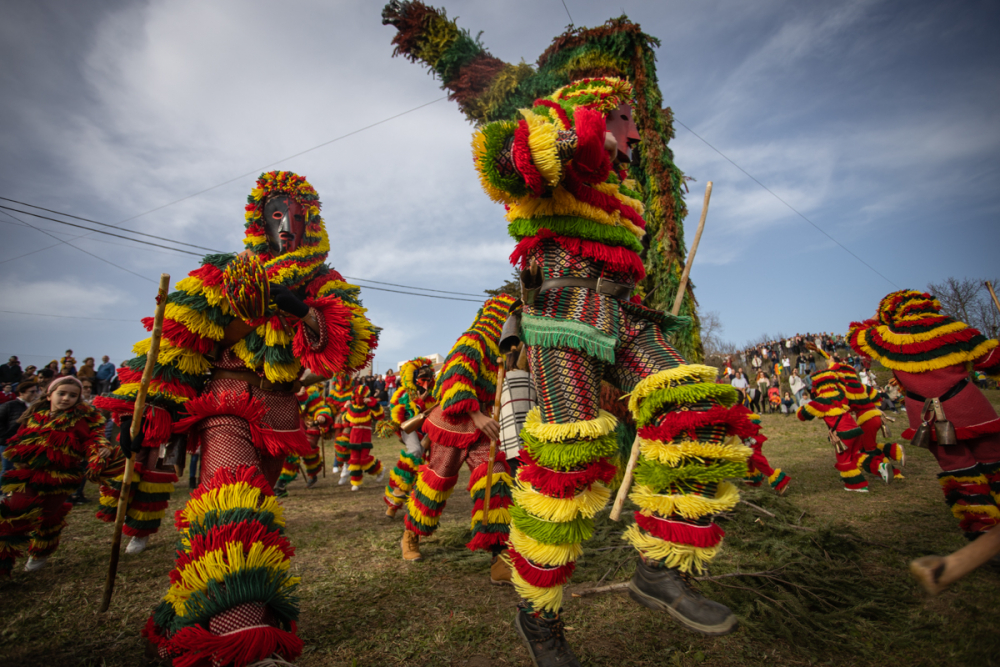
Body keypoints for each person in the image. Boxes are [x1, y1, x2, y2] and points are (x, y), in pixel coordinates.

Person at [384, 7, 746, 663]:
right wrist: (574, 139)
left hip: (624, 318)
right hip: (558, 320)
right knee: (564, 473)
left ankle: (659, 565)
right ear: (606, 112)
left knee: (693, 402)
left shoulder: (628, 187)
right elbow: (503, 159)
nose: (639, 133)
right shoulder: (558, 139)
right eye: (631, 120)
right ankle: (538, 616)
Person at [94, 170, 379, 667]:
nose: (286, 224)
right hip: (225, 403)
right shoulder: (219, 274)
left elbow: (349, 347)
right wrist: (145, 409)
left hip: (281, 415)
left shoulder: (327, 284)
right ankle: (242, 635)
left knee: (256, 515)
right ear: (259, 220)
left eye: (296, 215)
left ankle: (185, 620)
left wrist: (300, 309)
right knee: (233, 508)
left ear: (310, 221)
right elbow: (175, 344)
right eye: (275, 214)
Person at [849, 290, 1000, 541]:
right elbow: (993, 361)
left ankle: (982, 529)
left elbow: (856, 334)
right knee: (995, 461)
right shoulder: (956, 329)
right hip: (970, 407)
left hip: (926, 414)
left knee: (959, 470)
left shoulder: (887, 336)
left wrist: (880, 318)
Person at [399, 294, 516, 587]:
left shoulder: (507, 350)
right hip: (453, 424)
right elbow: (453, 379)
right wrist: (477, 414)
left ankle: (499, 554)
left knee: (496, 480)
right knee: (437, 481)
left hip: (483, 429)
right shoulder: (474, 339)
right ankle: (411, 535)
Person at [0, 376, 116, 574]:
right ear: (49, 394)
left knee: (48, 517)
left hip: (61, 479)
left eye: (73, 395)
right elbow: (18, 439)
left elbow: (95, 439)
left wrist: (101, 450)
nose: (66, 398)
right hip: (29, 475)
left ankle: (40, 553)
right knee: (14, 516)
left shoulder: (83, 420)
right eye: (61, 393)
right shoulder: (33, 417)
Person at [383, 357, 437, 518]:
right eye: (421, 378)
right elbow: (396, 412)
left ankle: (411, 502)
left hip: (428, 433)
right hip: (409, 430)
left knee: (424, 465)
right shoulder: (403, 393)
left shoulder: (434, 395)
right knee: (414, 452)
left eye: (427, 379)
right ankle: (395, 497)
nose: (424, 382)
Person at [738, 407, 790, 494]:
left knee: (759, 461)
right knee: (748, 461)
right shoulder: (746, 411)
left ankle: (780, 481)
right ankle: (753, 481)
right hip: (751, 442)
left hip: (751, 443)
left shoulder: (737, 412)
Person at [344, 384, 385, 489]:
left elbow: (379, 415)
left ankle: (379, 469)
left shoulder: (369, 406)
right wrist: (345, 408)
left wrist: (371, 403)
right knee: (354, 458)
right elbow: (346, 420)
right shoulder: (352, 407)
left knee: (364, 458)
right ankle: (355, 482)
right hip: (354, 435)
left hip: (365, 434)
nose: (359, 399)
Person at [0, 380, 40, 478]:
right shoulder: (10, 405)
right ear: (21, 393)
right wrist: (5, 436)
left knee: (24, 468)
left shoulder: (36, 407)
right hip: (9, 442)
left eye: (36, 391)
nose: (35, 394)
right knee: (8, 468)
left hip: (28, 442)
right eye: (32, 391)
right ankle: (2, 491)